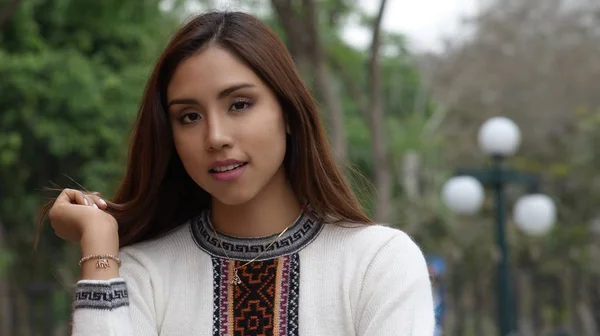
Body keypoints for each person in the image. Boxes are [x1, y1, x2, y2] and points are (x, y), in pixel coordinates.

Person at [42, 11, 434, 336]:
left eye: (240, 105)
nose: (215, 137)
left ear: (289, 114)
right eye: (189, 116)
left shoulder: (377, 264)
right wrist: (99, 245)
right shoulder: (144, 273)